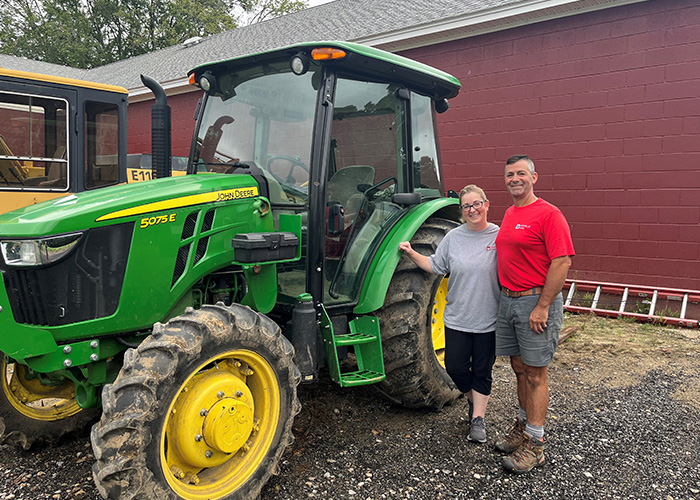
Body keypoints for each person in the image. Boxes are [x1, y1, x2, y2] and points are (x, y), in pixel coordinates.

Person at [399, 185, 500, 443]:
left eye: (476, 204)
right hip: (457, 317)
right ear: (462, 211)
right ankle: (472, 398)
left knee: (482, 370)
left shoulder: (499, 237)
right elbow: (435, 265)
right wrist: (412, 253)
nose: (472, 210)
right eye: (466, 206)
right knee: (455, 366)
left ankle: (478, 418)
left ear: (487, 204)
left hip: (488, 319)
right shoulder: (454, 237)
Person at [494, 155, 574, 473]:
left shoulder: (549, 214)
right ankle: (523, 427)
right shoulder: (511, 213)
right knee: (518, 367)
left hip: (534, 303)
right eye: (510, 174)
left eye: (521, 174)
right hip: (508, 301)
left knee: (536, 374)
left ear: (534, 177)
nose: (515, 178)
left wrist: (542, 306)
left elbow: (562, 261)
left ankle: (536, 445)